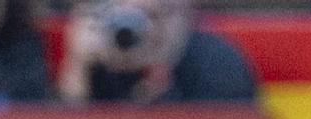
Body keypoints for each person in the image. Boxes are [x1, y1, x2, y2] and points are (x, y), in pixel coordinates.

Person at [56, 0, 257, 105]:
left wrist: (161, 84)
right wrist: (76, 72)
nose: (144, 30)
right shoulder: (99, 58)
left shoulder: (217, 64)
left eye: (155, 15)